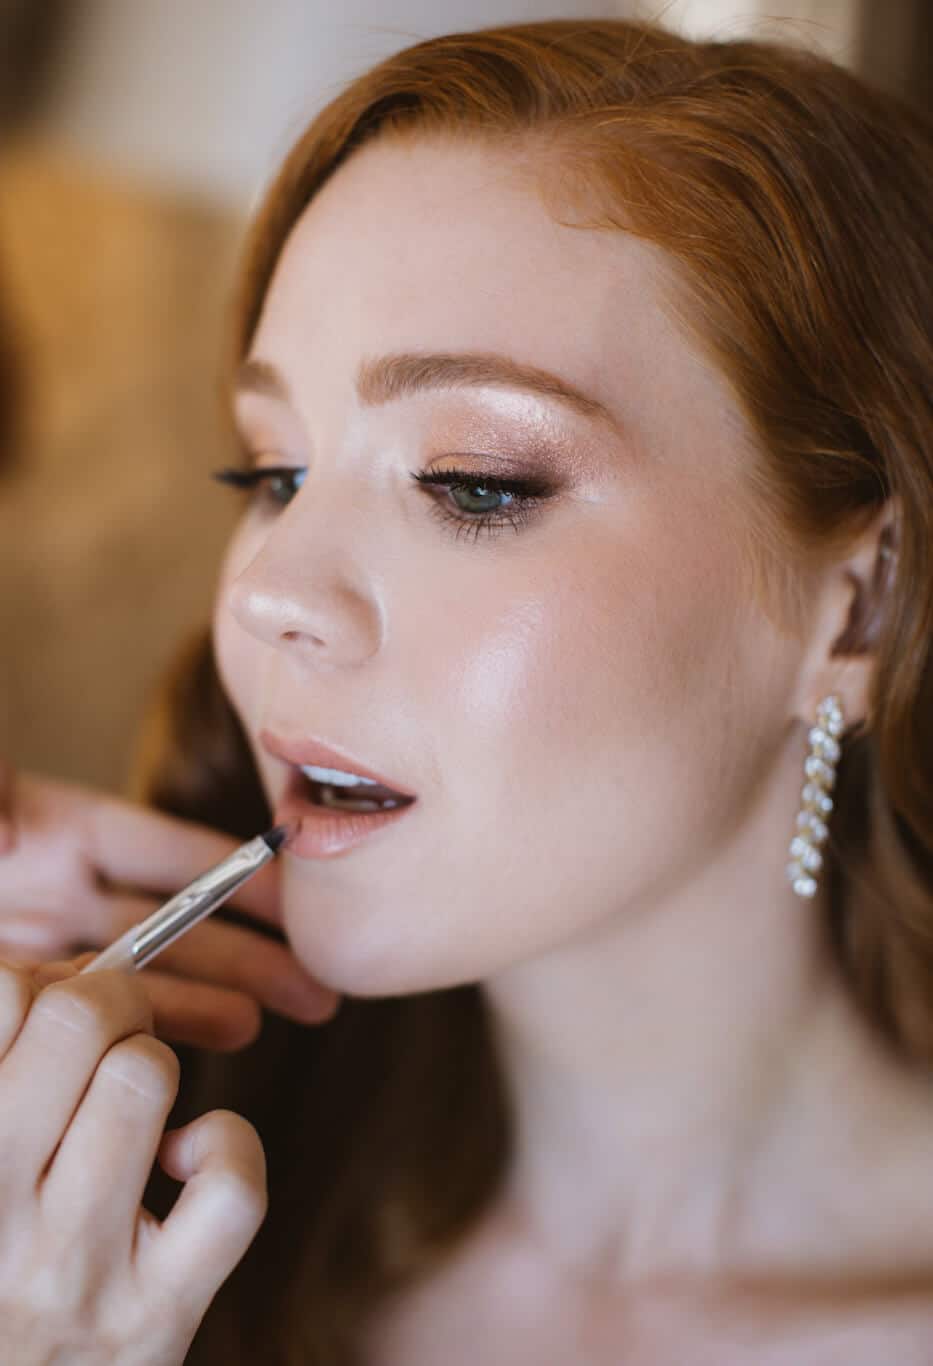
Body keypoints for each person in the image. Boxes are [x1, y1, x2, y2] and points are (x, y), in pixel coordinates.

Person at [1, 16, 931, 1364]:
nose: (268, 593)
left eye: (472, 483)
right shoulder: (124, 1225)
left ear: (862, 603)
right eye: (271, 473)